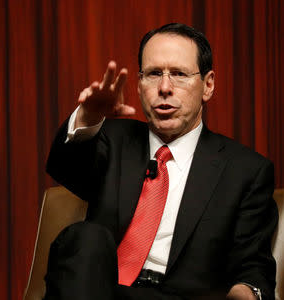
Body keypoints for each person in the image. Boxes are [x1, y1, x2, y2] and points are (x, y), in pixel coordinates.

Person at [44, 23, 278, 300]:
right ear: (140, 84)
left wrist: (246, 293)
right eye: (154, 74)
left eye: (179, 74)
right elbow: (63, 167)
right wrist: (88, 116)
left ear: (208, 85)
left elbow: (253, 270)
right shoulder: (111, 139)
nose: (165, 88)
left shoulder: (245, 171)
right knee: (85, 237)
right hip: (98, 290)